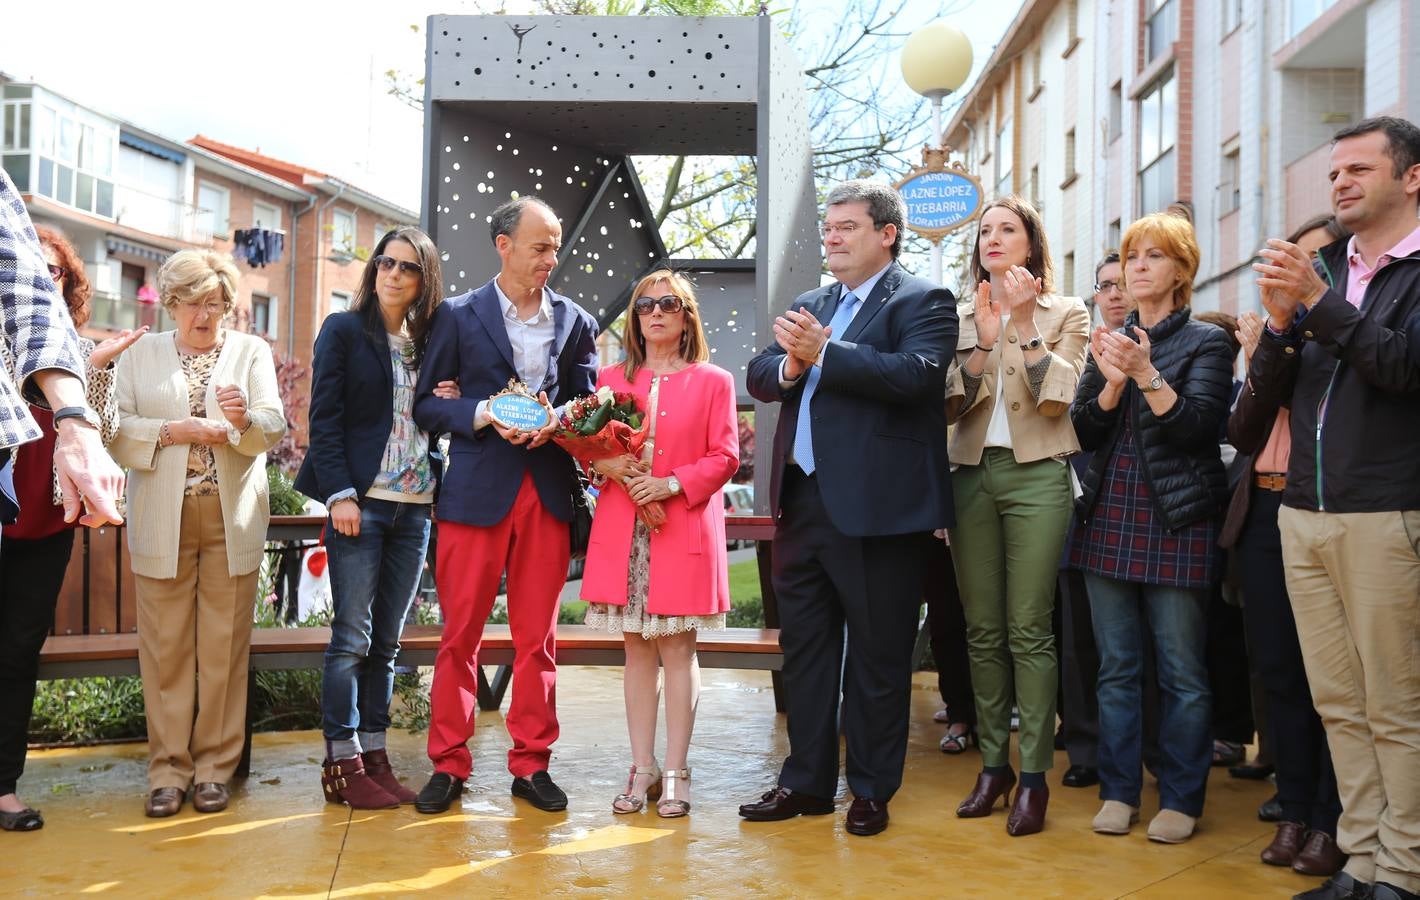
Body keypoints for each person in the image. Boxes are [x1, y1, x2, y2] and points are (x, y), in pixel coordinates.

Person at [739, 179, 956, 837]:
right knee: (804, 654)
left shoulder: (924, 299)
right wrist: (793, 369)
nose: (831, 238)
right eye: (828, 228)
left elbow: (916, 376)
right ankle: (805, 783)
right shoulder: (812, 301)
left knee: (877, 659)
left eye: (847, 227)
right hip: (802, 506)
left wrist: (824, 353)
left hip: (879, 514)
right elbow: (760, 371)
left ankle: (869, 789)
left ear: (887, 234)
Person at [1243, 116, 1420, 900]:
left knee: (1395, 705)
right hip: (1302, 514)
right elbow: (1250, 423)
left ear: (1410, 177)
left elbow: (1403, 368)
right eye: (1334, 173)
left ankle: (1406, 870)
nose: (1341, 182)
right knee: (1340, 704)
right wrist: (1282, 328)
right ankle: (1363, 860)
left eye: (1358, 169)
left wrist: (1320, 303)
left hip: (1387, 512)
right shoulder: (1325, 271)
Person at [411, 196, 598, 815]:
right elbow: (427, 407)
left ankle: (532, 764)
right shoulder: (457, 316)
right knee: (458, 635)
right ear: (504, 244)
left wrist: (560, 419)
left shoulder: (576, 321)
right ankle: (449, 764)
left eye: (555, 245)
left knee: (538, 639)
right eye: (540, 245)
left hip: (546, 491)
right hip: (474, 493)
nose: (551, 257)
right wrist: (481, 412)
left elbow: (589, 403)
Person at [1068, 212, 1233, 844]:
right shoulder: (1109, 337)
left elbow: (1198, 429)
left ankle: (1183, 797)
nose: (1136, 267)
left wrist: (1145, 373)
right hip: (1107, 519)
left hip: (1180, 523)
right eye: (1131, 255)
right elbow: (1081, 432)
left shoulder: (1208, 343)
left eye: (1153, 256)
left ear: (1181, 271)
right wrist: (1110, 386)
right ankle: (1118, 791)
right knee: (1116, 668)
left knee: (1182, 672)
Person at [111, 250, 285, 818]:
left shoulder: (251, 351)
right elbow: (116, 431)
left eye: (215, 304)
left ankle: (214, 769)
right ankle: (167, 771)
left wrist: (242, 422)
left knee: (224, 651)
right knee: (164, 650)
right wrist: (174, 430)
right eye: (193, 303)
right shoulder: (141, 353)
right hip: (164, 518)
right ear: (171, 303)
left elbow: (274, 425)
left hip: (231, 518)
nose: (205, 316)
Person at [946, 196, 1089, 837]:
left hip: (1039, 476)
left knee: (1029, 628)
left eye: (1007, 229)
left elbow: (1059, 400)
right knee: (981, 630)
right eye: (984, 231)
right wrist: (979, 341)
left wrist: (1025, 322)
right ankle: (991, 767)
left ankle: (1033, 777)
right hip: (971, 477)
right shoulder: (960, 314)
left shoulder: (1069, 312)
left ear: (1031, 244)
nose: (993, 239)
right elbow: (950, 404)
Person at [296, 227, 448, 808]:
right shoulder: (342, 331)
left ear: (422, 280)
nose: (393, 274)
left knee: (386, 643)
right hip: (360, 505)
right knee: (351, 640)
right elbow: (325, 418)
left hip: (415, 509)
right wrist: (338, 494)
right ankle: (342, 764)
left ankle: (376, 757)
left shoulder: (428, 344)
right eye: (386, 263)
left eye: (408, 268)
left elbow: (431, 418)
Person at [580, 269, 738, 819]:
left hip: (683, 529)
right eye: (644, 304)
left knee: (678, 650)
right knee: (636, 651)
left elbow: (725, 457)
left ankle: (676, 770)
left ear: (687, 313)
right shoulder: (608, 380)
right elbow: (587, 453)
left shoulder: (714, 380)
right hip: (623, 533)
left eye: (668, 303)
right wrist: (606, 464)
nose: (655, 311)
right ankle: (641, 767)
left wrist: (671, 484)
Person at [1223, 216, 1349, 883]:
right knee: (1279, 672)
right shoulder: (1285, 333)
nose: (1292, 274)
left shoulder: (1344, 334)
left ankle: (1333, 820)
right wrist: (1269, 343)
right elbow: (1243, 428)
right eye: (1286, 261)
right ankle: (1295, 809)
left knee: (1333, 680)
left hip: (1328, 506)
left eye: (1310, 263)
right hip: (1264, 508)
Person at [0, 215, 131, 833]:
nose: (43, 280)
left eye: (53, 272)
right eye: (34, 269)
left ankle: (3, 788)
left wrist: (95, 369)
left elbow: (97, 432)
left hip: (42, 525)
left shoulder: (71, 353)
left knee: (17, 653)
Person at [1054, 252, 1130, 793]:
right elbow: (1072, 427)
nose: (1115, 294)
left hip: (1145, 518)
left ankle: (1140, 749)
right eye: (1105, 285)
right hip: (1080, 507)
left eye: (1123, 284)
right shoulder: (1080, 356)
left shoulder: (1170, 347)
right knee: (1077, 638)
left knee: (1134, 647)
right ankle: (1084, 746)